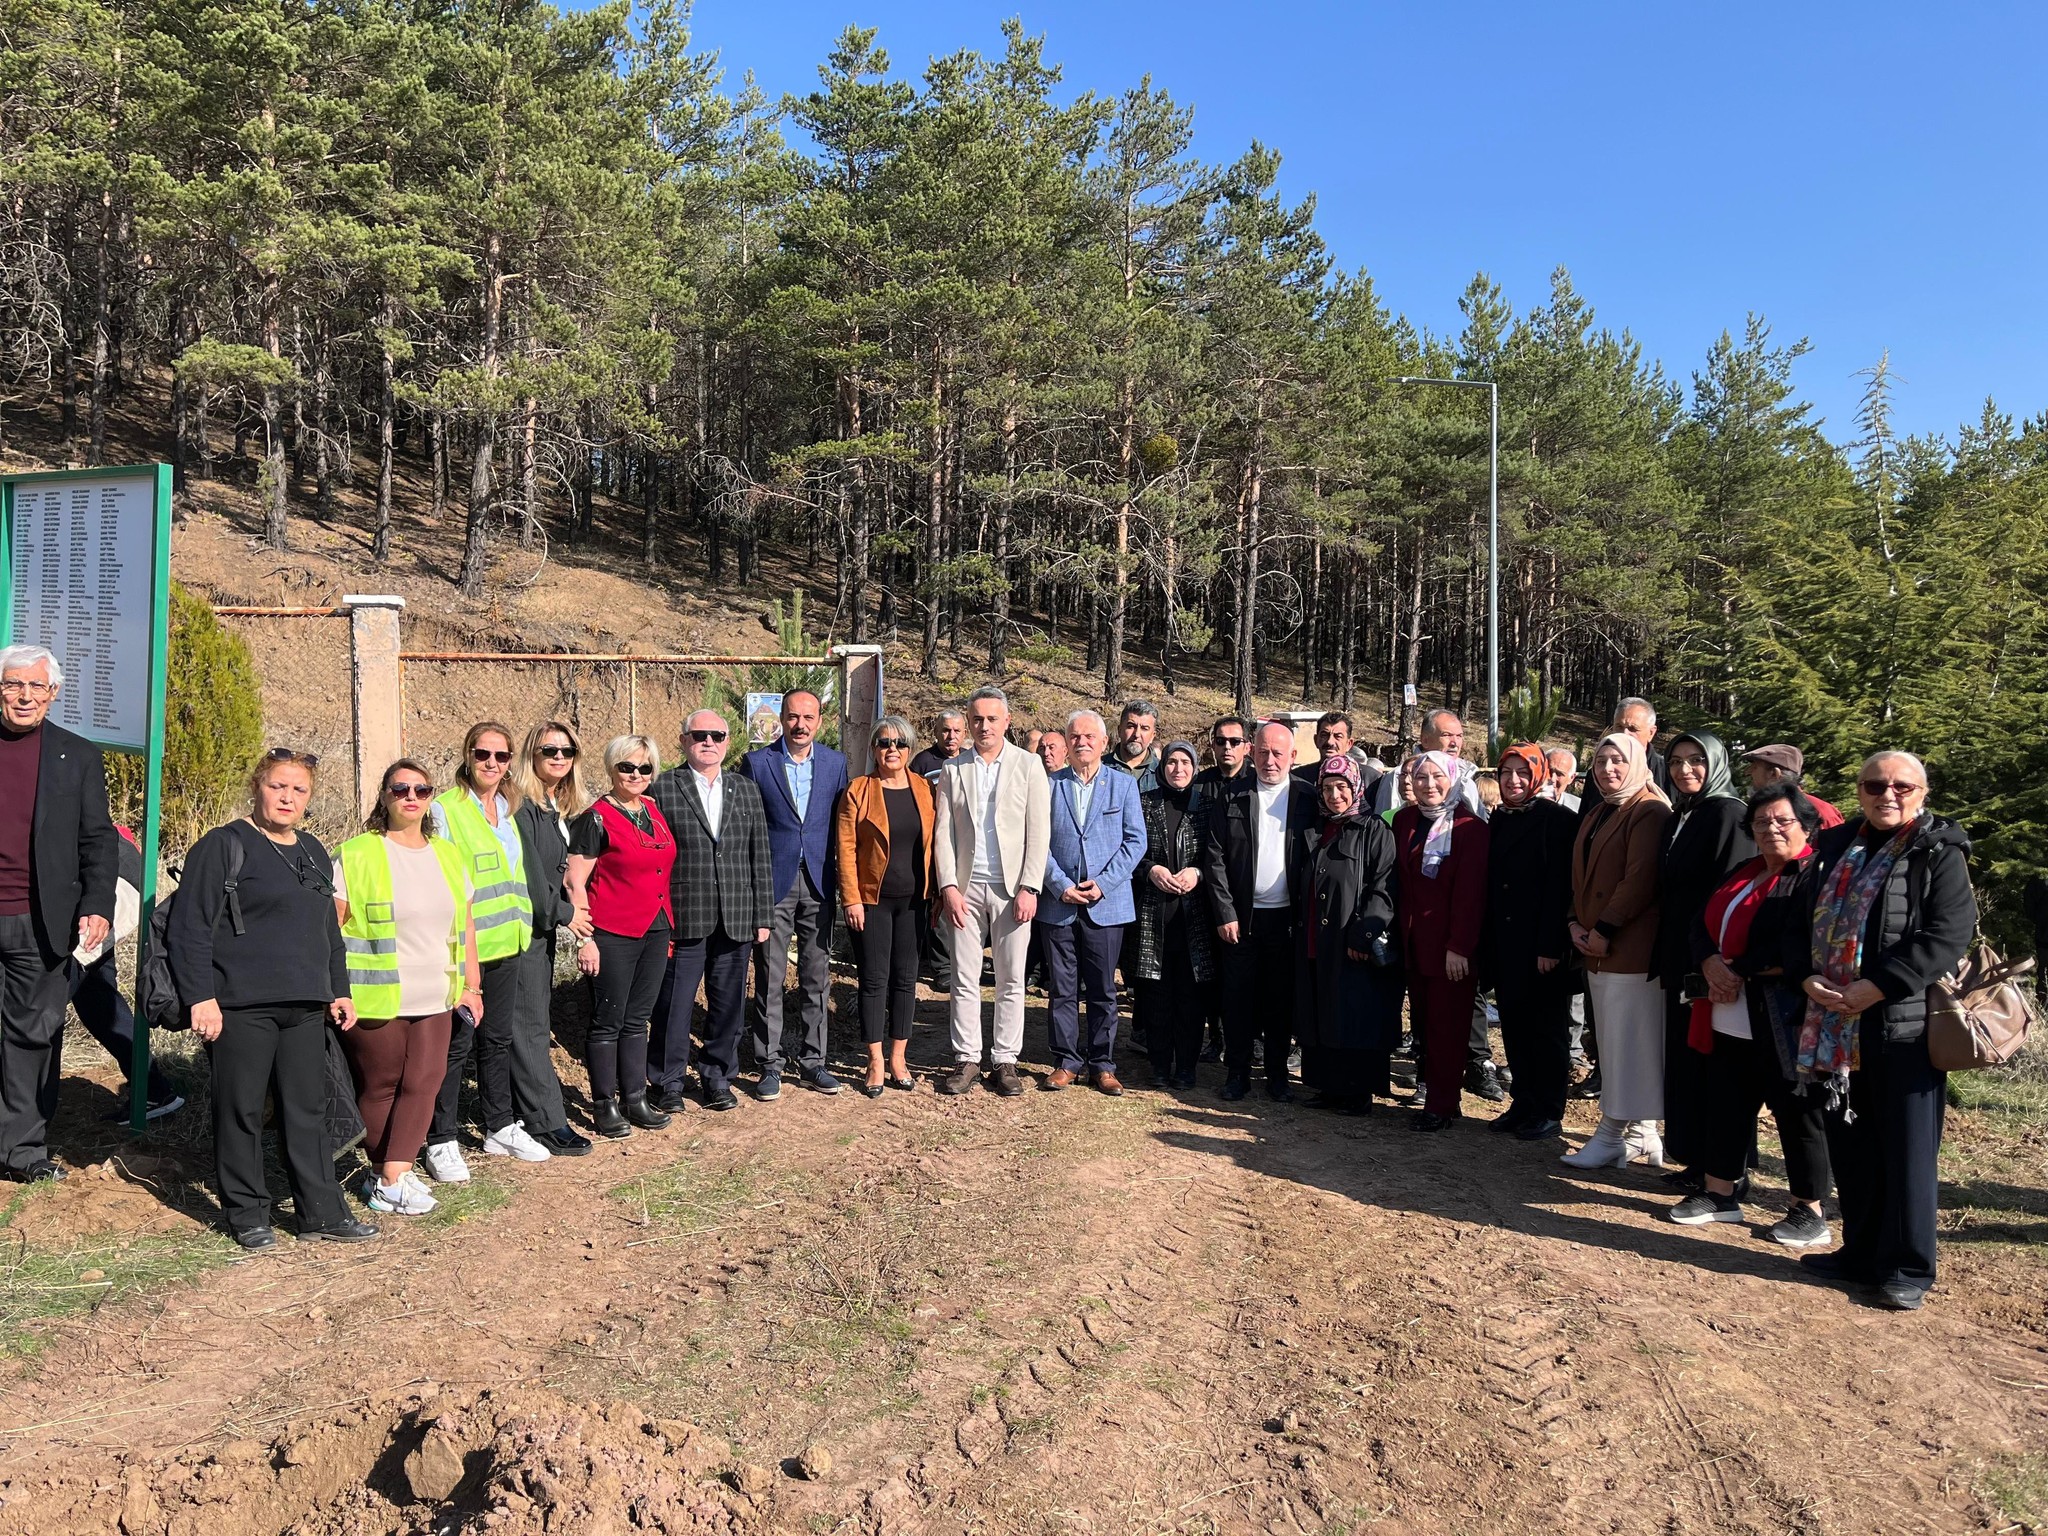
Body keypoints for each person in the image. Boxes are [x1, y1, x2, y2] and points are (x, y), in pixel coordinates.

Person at [168, 749, 376, 1249]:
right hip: (241, 1005)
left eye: (298, 789)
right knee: (240, 1110)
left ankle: (320, 1211)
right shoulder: (223, 846)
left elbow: (328, 930)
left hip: (305, 1005)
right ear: (257, 787)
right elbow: (189, 928)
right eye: (277, 786)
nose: (287, 797)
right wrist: (201, 997)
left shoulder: (311, 850)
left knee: (306, 1109)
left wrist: (338, 988)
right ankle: (248, 1215)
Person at [1792, 752, 1974, 1311]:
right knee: (1853, 1142)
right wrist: (1807, 976)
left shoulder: (1937, 851)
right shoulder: (1833, 846)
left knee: (1908, 1151)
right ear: (1859, 790)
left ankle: (1908, 1267)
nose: (1886, 794)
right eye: (1875, 784)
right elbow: (1799, 920)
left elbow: (1947, 934)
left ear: (1923, 791)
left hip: (1905, 1026)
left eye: (1901, 785)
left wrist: (1881, 985)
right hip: (1836, 1024)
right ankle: (1861, 1252)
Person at [1667, 782, 1834, 1247]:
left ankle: (1810, 1208)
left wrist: (1735, 967)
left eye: (1782, 820)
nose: (1770, 829)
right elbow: (1702, 921)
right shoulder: (1746, 870)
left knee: (1796, 1110)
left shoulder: (1814, 876)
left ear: (1806, 825)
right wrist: (1708, 962)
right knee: (1726, 1101)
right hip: (1728, 1010)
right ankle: (1720, 1193)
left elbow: (1798, 941)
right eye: (1761, 822)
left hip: (1785, 1015)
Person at [333, 761, 478, 1217]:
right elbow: (330, 929)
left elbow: (466, 926)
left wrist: (472, 985)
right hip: (374, 996)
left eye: (421, 788)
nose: (410, 796)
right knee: (382, 1084)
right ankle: (386, 1176)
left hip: (438, 992)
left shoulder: (448, 855)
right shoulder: (356, 853)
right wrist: (333, 990)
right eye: (400, 788)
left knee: (425, 1082)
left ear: (431, 796)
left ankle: (393, 1174)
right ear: (385, 796)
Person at [0, 644, 119, 1180]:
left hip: (41, 918)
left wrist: (97, 905)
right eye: (12, 684)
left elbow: (98, 840)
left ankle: (20, 1152)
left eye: (35, 687)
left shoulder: (78, 755)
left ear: (53, 694)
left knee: (32, 1036)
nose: (24, 697)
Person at [422, 722, 535, 1181]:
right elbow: (443, 881)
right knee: (455, 1046)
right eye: (483, 754)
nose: (492, 763)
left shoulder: (508, 809)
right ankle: (440, 1138)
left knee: (498, 1039)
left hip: (508, 942)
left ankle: (499, 1124)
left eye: (501, 756)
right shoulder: (446, 811)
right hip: (464, 949)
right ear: (467, 756)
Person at [649, 711, 774, 1113]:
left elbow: (760, 855)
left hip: (736, 914)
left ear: (727, 741)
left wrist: (763, 915)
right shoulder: (663, 787)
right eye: (699, 735)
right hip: (684, 913)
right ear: (684, 741)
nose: (708, 741)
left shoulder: (745, 789)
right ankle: (667, 1081)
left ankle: (718, 1076)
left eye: (717, 735)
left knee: (728, 1003)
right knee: (674, 1003)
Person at [1561, 733, 1674, 1169]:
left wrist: (1605, 927)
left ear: (1639, 763)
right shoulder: (1599, 811)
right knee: (1615, 1040)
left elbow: (1640, 879)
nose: (1609, 769)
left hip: (1628, 947)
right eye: (1602, 761)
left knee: (1628, 1042)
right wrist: (1574, 921)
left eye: (1618, 761)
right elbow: (1581, 878)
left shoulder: (1648, 809)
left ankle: (1612, 1133)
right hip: (1594, 944)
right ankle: (1643, 1133)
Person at [933, 687, 1051, 1097]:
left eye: (992, 719)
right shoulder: (953, 769)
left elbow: (1039, 833)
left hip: (1012, 888)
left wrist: (1029, 886)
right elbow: (943, 834)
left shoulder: (1029, 765)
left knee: (1011, 978)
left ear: (1007, 721)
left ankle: (1005, 1059)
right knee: (964, 977)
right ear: (969, 721)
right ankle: (966, 1058)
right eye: (977, 719)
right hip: (966, 887)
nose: (984, 726)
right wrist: (947, 884)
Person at [737, 689, 849, 1098]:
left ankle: (813, 1061)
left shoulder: (836, 764)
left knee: (816, 976)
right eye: (792, 717)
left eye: (809, 717)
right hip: (772, 884)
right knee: (769, 975)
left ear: (820, 721)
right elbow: (746, 827)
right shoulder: (757, 763)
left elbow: (842, 825)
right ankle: (769, 1063)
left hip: (819, 882)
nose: (800, 725)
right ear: (781, 719)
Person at [1653, 732, 1755, 1182]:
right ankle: (1697, 1159)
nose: (1684, 770)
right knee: (1689, 1060)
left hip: (1711, 961)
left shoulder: (1728, 814)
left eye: (1696, 761)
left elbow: (1729, 895)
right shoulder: (1687, 813)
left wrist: (1711, 956)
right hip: (1682, 957)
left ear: (1715, 763)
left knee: (1718, 1066)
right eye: (1675, 762)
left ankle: (1726, 1166)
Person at [565, 735, 679, 1137]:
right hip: (612, 931)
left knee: (637, 1019)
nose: (635, 775)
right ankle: (604, 1104)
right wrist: (585, 939)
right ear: (612, 769)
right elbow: (574, 882)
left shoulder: (651, 808)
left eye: (644, 768)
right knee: (608, 1020)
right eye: (626, 767)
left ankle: (635, 1098)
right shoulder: (595, 817)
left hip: (654, 927)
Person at [1037, 710, 1147, 1096]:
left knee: (1103, 989)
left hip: (1107, 904)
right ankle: (1066, 1061)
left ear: (1104, 743)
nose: (1082, 742)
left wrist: (1102, 883)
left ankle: (1103, 1063)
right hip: (1059, 904)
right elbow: (1035, 843)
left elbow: (1136, 842)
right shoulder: (1048, 786)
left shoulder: (1123, 785)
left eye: (1089, 737)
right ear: (1066, 744)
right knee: (1062, 989)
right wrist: (1060, 885)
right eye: (1075, 736)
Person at [1203, 720, 1313, 1101]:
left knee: (1279, 1001)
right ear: (1252, 751)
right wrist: (1225, 912)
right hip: (1240, 920)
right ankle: (1237, 1073)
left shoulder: (1307, 798)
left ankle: (1278, 1076)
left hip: (1286, 921)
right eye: (1263, 751)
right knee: (1237, 999)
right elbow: (1214, 857)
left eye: (1278, 753)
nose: (1270, 760)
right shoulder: (1233, 796)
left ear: (1293, 756)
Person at [1479, 744, 1578, 1140]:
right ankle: (1522, 1102)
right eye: (1506, 773)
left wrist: (1550, 946)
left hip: (1542, 946)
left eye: (1523, 773)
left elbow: (1560, 888)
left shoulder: (1556, 820)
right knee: (1515, 1028)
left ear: (1537, 775)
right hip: (1507, 942)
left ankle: (1549, 1109)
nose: (1514, 781)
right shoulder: (1499, 818)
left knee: (1546, 1029)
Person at [1293, 756, 1400, 1115]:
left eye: (1342, 787)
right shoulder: (1317, 827)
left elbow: (1383, 888)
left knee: (1354, 1014)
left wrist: (1364, 934)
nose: (1335, 795)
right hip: (1316, 938)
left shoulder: (1374, 830)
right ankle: (1327, 1086)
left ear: (1355, 788)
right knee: (1322, 1009)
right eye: (1328, 787)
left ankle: (1356, 1092)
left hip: (1351, 941)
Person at [836, 717, 933, 1098]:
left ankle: (898, 1056)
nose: (892, 749)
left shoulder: (924, 789)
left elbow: (934, 844)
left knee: (906, 980)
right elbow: (845, 848)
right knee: (874, 980)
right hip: (872, 901)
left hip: (915, 901)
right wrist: (852, 897)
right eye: (884, 743)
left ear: (909, 749)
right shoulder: (859, 790)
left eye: (900, 743)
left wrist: (938, 893)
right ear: (874, 749)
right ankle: (874, 1059)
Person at [1392, 752, 1490, 1131]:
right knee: (1424, 1025)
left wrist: (1459, 946)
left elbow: (1471, 894)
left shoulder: (1470, 828)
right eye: (1420, 777)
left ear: (1452, 779)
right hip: (1414, 943)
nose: (1428, 785)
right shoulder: (1404, 820)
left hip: (1451, 949)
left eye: (1437, 777)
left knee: (1447, 1028)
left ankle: (1441, 1105)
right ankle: (1440, 1093)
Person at [508, 722, 593, 1156]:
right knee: (530, 1028)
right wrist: (567, 914)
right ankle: (545, 1122)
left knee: (529, 1024)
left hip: (539, 935)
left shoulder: (550, 807)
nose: (559, 757)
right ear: (532, 754)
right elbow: (529, 880)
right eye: (549, 750)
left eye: (567, 750)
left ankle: (514, 1115)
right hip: (522, 934)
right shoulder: (521, 807)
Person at [69, 823, 184, 1121]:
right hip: (107, 873)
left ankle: (21, 1118)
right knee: (95, 997)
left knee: (43, 999)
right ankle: (155, 1092)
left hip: (105, 877)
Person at [1134, 741, 1212, 1088]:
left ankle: (1187, 1068)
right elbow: (1131, 850)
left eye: (1185, 762)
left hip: (1194, 918)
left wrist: (1197, 873)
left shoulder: (1207, 806)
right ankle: (1161, 1065)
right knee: (1155, 997)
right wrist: (1151, 870)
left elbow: (1219, 855)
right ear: (1161, 767)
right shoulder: (1145, 803)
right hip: (1154, 916)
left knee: (1191, 1000)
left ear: (1194, 768)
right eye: (1171, 762)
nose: (1178, 769)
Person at [1742, 744, 1845, 828]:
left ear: (1775, 774)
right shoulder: (1760, 810)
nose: (1748, 772)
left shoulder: (1822, 812)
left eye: (1754, 767)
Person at [1293, 711, 1384, 801]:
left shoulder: (1371, 779)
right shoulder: (1298, 778)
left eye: (1338, 736)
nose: (1330, 742)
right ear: (1316, 740)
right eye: (1324, 735)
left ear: (1349, 743)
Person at [1613, 698, 1670, 794]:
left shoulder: (1668, 773)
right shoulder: (1600, 772)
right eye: (1619, 727)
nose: (1624, 734)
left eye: (1633, 728)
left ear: (1651, 733)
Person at [1108, 700, 1161, 790]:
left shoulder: (1162, 773)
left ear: (1153, 736)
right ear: (1119, 730)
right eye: (1131, 726)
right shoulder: (1100, 768)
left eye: (1144, 728)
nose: (1137, 734)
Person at [1194, 717, 1252, 792]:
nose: (1227, 747)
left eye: (1235, 741)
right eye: (1220, 741)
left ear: (1247, 748)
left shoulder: (1258, 782)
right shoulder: (1198, 783)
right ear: (1213, 745)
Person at [910, 711, 967, 780]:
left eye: (957, 731)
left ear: (964, 734)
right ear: (936, 732)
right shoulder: (922, 762)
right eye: (946, 730)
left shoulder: (971, 759)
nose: (951, 736)